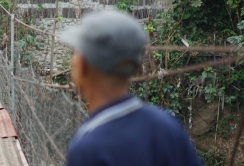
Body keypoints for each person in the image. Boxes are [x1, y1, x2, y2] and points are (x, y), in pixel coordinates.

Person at [57, 10, 202, 166]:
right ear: (137, 67)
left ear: (84, 66)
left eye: (76, 53)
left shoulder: (87, 147)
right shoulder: (167, 127)